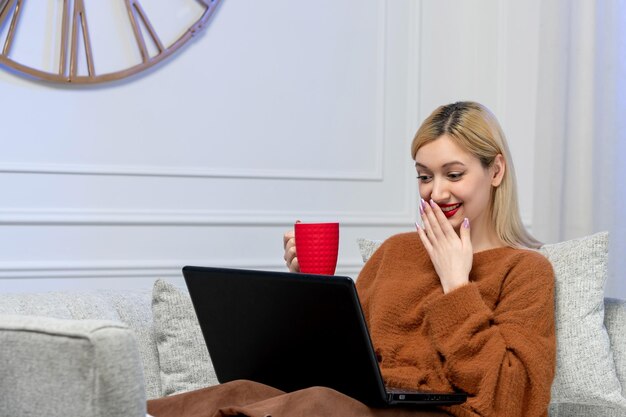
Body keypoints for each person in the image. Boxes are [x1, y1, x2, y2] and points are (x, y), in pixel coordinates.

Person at [283, 101, 556, 417]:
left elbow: (515, 402)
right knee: (237, 391)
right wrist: (309, 291)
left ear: (496, 171)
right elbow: (338, 361)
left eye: (453, 174)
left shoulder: (526, 271)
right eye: (425, 177)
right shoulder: (395, 251)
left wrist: (457, 285)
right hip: (358, 406)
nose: (437, 193)